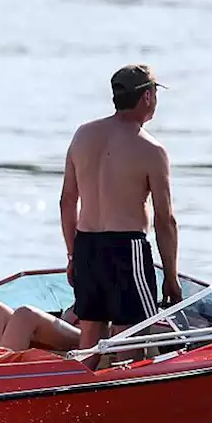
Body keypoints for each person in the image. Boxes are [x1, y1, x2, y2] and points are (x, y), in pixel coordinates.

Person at [60, 64, 183, 358]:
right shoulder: (151, 150)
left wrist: (72, 255)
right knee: (131, 337)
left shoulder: (83, 135)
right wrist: (171, 277)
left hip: (86, 245)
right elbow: (165, 220)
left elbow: (67, 201)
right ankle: (128, 399)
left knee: (89, 334)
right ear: (147, 97)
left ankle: (80, 397)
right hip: (126, 249)